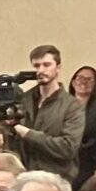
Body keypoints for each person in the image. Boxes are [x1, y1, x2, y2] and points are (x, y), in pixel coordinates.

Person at [13, 44, 83, 176]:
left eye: (46, 65)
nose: (41, 70)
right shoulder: (24, 99)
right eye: (36, 66)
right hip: (23, 175)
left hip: (56, 178)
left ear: (58, 68)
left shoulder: (72, 105)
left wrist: (28, 134)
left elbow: (68, 148)